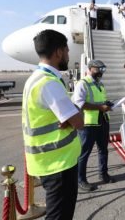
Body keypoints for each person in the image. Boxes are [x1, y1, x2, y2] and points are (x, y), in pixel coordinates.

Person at [22, 29, 84, 219]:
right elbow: (79, 122)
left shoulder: (35, 79)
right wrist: (75, 110)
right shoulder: (49, 83)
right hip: (58, 164)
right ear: (58, 52)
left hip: (47, 161)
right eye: (66, 50)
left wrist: (69, 115)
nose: (67, 55)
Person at [72, 59, 115, 191]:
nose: (101, 72)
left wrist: (106, 104)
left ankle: (104, 174)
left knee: (103, 150)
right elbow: (79, 103)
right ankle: (81, 180)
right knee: (84, 153)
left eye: (103, 69)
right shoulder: (83, 83)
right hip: (88, 124)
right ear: (90, 69)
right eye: (98, 69)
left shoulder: (100, 84)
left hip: (102, 120)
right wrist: (100, 107)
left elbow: (99, 101)